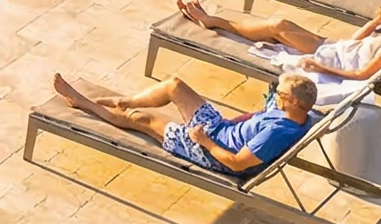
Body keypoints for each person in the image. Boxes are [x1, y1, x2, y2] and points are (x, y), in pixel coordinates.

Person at [51, 71, 318, 175]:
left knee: (142, 120)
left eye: (280, 95)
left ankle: (82, 102)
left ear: (294, 102)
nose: (276, 96)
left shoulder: (276, 132)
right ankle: (127, 100)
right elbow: (272, 104)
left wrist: (203, 141)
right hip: (221, 129)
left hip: (213, 150)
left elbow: (237, 163)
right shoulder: (299, 112)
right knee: (174, 85)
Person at [175, 0, 381, 80]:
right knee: (275, 31)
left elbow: (362, 75)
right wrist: (378, 20)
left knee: (277, 27)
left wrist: (323, 69)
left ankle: (213, 22)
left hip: (325, 56)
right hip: (331, 47)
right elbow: (355, 41)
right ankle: (215, 22)